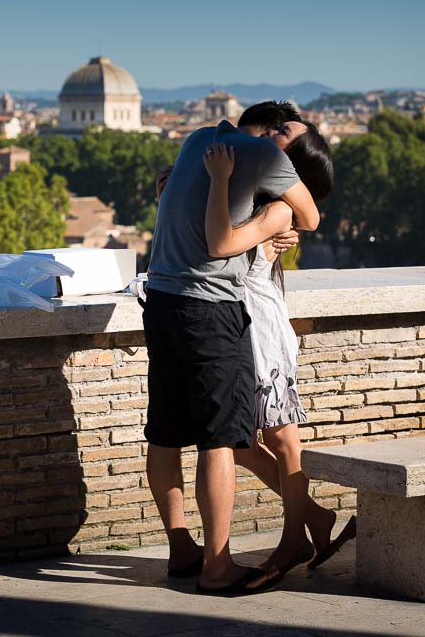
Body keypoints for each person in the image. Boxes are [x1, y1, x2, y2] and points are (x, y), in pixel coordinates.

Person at [144, 101, 321, 594]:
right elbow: (311, 216)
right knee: (219, 438)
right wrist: (276, 215)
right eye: (285, 129)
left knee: (164, 431)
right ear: (265, 130)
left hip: (160, 298)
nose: (284, 139)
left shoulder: (196, 140)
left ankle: (182, 550)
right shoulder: (264, 157)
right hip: (209, 308)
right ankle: (217, 566)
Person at [203, 130, 355, 590]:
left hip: (263, 337)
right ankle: (314, 519)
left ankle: (295, 536)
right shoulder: (264, 204)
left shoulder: (277, 210)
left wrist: (217, 182)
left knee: (280, 440)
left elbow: (222, 245)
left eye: (278, 146)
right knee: (240, 443)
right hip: (244, 332)